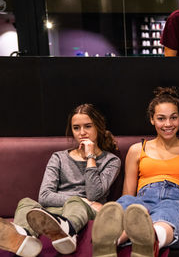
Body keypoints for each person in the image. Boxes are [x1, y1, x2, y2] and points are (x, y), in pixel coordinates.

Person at [92, 87, 179, 257]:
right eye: (161, 118)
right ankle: (111, 244)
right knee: (128, 202)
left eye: (173, 118)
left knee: (169, 208)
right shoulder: (137, 150)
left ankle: (149, 241)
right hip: (143, 202)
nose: (168, 124)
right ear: (152, 119)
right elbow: (128, 195)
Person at [0, 103, 121, 257]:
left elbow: (93, 194)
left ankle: (67, 232)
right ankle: (24, 237)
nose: (82, 132)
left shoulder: (111, 161)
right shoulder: (59, 157)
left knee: (75, 202)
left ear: (98, 127)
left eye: (88, 126)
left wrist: (91, 157)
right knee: (26, 202)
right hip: (54, 212)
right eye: (76, 128)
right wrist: (85, 200)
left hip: (84, 211)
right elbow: (44, 196)